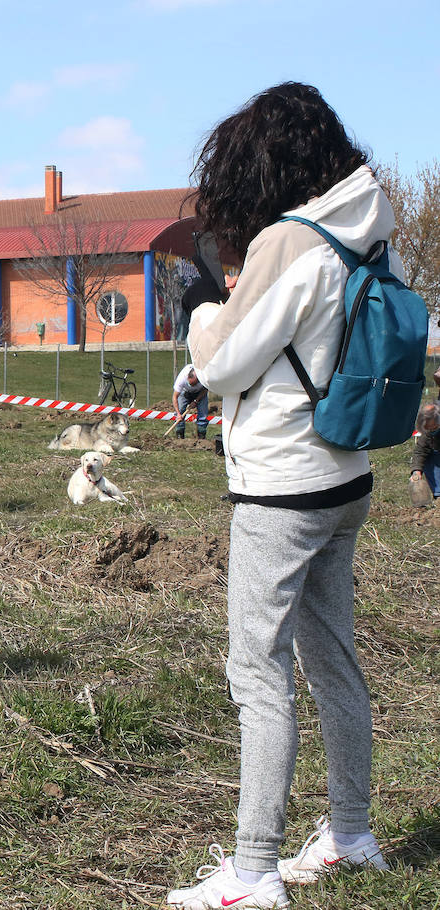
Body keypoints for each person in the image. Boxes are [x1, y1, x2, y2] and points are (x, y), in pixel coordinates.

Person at [168, 83, 392, 909]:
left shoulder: (293, 244)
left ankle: (253, 872)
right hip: (347, 475)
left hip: (281, 488)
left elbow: (226, 362)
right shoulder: (372, 232)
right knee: (333, 658)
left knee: (257, 675)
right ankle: (351, 833)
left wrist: (199, 314)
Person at [409, 402, 440, 501]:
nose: (432, 430)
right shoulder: (428, 432)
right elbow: (420, 451)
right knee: (429, 458)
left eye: (434, 427)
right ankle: (438, 494)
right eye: (428, 428)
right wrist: (416, 471)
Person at [172, 363, 209, 439]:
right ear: (188, 377)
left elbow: (206, 389)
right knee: (181, 409)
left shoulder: (204, 377)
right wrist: (178, 414)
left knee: (203, 413)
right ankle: (180, 435)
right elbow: (175, 397)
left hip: (200, 392)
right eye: (190, 384)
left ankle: (201, 436)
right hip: (184, 392)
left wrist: (196, 401)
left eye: (194, 384)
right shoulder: (181, 379)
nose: (192, 386)